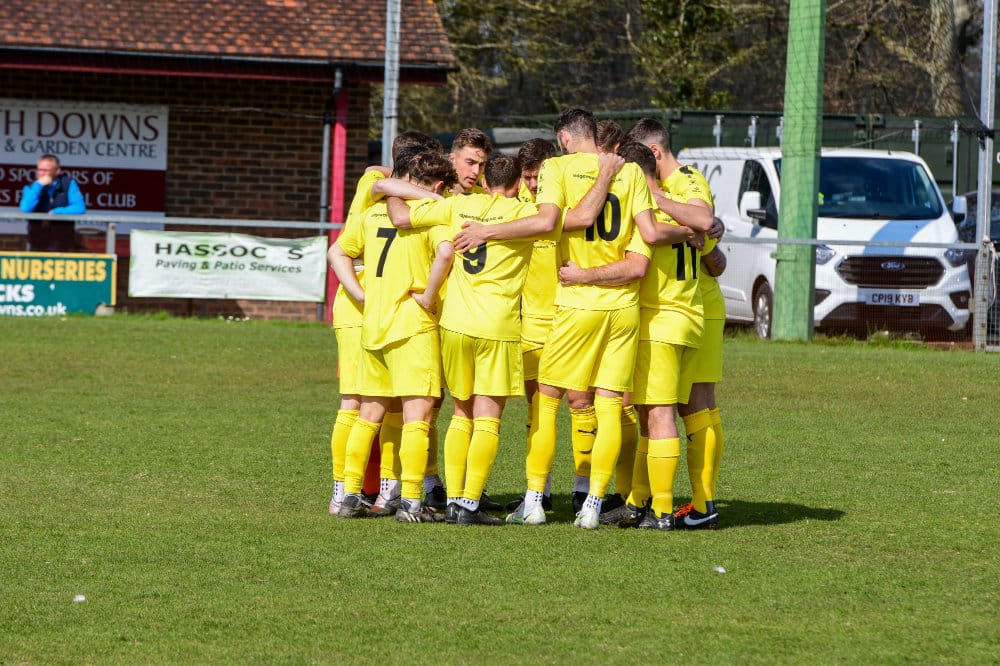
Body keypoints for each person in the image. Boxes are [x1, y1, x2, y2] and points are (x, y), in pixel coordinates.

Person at [453, 108, 656, 530]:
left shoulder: (557, 169)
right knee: (608, 405)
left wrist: (487, 231)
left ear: (564, 138)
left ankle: (534, 500)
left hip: (577, 303)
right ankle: (594, 505)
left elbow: (553, 220)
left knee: (545, 402)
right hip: (623, 307)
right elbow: (646, 245)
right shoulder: (630, 174)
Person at [563, 142, 710, 531]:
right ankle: (640, 502)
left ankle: (661, 511)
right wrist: (691, 230)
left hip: (659, 321)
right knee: (650, 413)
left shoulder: (650, 205)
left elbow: (643, 247)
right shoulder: (681, 206)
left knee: (659, 416)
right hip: (689, 316)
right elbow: (712, 243)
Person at [405, 154, 552, 525]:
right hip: (497, 326)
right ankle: (469, 503)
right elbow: (553, 220)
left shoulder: (458, 205)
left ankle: (453, 499)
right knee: (488, 418)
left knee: (460, 412)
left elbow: (402, 215)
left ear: (485, 183)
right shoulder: (525, 213)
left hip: (454, 323)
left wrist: (382, 179)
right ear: (519, 185)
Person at [329, 149, 457, 523]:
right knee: (417, 416)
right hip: (413, 324)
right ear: (436, 186)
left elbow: (338, 252)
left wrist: (361, 295)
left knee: (368, 414)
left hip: (375, 322)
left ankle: (350, 495)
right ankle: (412, 501)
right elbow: (447, 252)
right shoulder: (433, 213)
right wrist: (429, 297)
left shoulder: (370, 214)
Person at [623, 117, 724, 529]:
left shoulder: (685, 179)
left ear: (653, 153)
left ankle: (700, 503)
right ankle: (642, 499)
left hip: (687, 308)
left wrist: (656, 202)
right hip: (684, 308)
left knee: (692, 407)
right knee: (659, 408)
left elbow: (704, 222)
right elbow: (715, 254)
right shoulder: (666, 190)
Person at [20, 154, 86, 251]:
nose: (41, 173)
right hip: (37, 243)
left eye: (46, 170)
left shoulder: (68, 184)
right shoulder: (32, 187)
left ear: (57, 171)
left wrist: (56, 213)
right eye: (39, 170)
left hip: (63, 243)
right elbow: (25, 208)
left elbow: (80, 208)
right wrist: (38, 186)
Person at [448, 128, 492, 194]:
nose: (476, 171)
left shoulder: (487, 198)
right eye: (470, 163)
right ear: (452, 160)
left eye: (481, 165)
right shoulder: (433, 197)